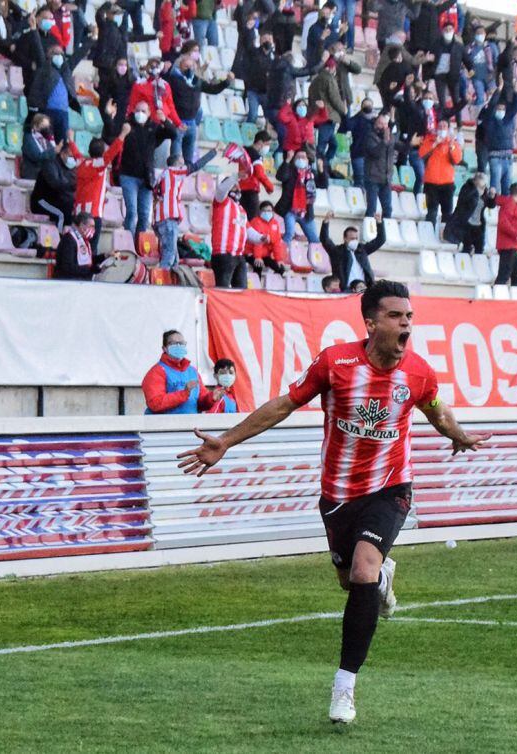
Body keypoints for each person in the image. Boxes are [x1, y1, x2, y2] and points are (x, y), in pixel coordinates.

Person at [177, 280, 488, 726]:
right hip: (338, 494)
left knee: (362, 568)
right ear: (371, 322)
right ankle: (381, 578)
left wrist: (458, 435)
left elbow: (436, 410)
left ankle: (344, 687)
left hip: (391, 487)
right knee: (351, 581)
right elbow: (284, 404)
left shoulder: (419, 372)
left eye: (409, 317)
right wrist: (225, 440)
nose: (406, 325)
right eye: (396, 317)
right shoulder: (335, 362)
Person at [154, 147, 217, 269]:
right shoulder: (174, 172)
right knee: (169, 255)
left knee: (174, 257)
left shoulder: (162, 175)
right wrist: (213, 152)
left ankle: (171, 284)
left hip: (160, 219)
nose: (184, 164)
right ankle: (160, 284)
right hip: (169, 218)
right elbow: (195, 166)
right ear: (177, 164)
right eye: (182, 162)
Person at [120, 102, 177, 235]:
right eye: (138, 110)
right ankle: (128, 243)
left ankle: (139, 245)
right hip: (128, 175)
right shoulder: (127, 125)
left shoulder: (154, 128)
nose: (140, 113)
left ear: (149, 113)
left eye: (143, 111)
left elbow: (173, 134)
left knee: (144, 215)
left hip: (147, 178)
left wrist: (164, 120)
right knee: (132, 211)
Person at [167, 55, 232, 167]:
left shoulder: (197, 81)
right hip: (178, 122)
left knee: (189, 162)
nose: (189, 69)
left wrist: (226, 82)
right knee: (175, 161)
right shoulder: (174, 79)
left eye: (192, 66)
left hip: (192, 122)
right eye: (186, 66)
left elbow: (213, 89)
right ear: (180, 67)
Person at [27, 39, 93, 141]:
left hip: (63, 113)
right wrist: (34, 30)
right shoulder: (45, 67)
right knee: (47, 141)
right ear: (48, 55)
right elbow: (38, 48)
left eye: (61, 53)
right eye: (55, 53)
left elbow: (78, 55)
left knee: (63, 144)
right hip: (47, 111)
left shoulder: (66, 68)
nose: (59, 56)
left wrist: (92, 39)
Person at [143, 330, 219, 413]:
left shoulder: (192, 371)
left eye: (181, 343)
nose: (178, 346)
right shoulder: (156, 372)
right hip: (166, 425)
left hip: (190, 424)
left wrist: (211, 398)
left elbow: (200, 403)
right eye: (173, 343)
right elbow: (155, 403)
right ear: (164, 348)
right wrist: (184, 394)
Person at [211, 175, 260, 289]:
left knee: (241, 291)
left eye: (238, 187)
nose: (237, 189)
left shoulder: (241, 210)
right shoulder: (221, 202)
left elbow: (248, 230)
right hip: (223, 254)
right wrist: (236, 177)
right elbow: (221, 189)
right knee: (223, 289)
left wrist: (260, 238)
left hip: (239, 256)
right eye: (233, 187)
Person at [321, 211, 385, 288]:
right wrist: (326, 221)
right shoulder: (337, 251)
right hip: (346, 290)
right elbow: (325, 239)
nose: (354, 241)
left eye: (356, 238)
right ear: (345, 238)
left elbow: (380, 240)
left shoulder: (362, 249)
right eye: (351, 238)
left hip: (363, 289)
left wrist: (379, 222)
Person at [419, 120, 463, 228]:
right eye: (440, 126)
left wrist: (451, 146)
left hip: (447, 183)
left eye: (445, 126)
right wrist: (435, 144)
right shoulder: (429, 140)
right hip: (431, 182)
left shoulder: (453, 142)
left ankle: (444, 235)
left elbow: (457, 160)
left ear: (448, 129)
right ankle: (428, 234)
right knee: (431, 212)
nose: (442, 129)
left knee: (447, 213)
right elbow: (421, 154)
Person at [276, 150, 321, 246]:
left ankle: (315, 259)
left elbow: (324, 183)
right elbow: (281, 176)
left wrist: (322, 170)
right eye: (298, 157)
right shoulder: (290, 170)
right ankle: (280, 256)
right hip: (290, 209)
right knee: (289, 234)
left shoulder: (311, 173)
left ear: (308, 160)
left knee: (314, 239)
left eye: (303, 157)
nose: (301, 160)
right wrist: (287, 160)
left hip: (306, 211)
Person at [54, 212, 118, 280]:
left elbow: (87, 260)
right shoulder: (69, 240)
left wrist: (105, 256)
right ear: (82, 225)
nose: (94, 230)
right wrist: (90, 269)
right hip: (69, 281)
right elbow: (67, 267)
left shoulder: (83, 240)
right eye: (91, 226)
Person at [31, 140, 78, 231]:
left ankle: (69, 237)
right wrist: (73, 185)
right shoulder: (50, 164)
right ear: (63, 154)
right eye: (71, 156)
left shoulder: (69, 168)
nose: (73, 159)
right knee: (61, 214)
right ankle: (60, 240)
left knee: (72, 210)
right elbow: (55, 184)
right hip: (42, 201)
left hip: (58, 201)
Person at [444, 172, 496, 254]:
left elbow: (491, 205)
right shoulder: (467, 188)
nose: (483, 188)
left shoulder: (484, 191)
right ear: (475, 182)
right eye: (481, 186)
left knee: (480, 249)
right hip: (466, 224)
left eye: (484, 186)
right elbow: (464, 202)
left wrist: (492, 197)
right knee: (466, 249)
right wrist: (476, 193)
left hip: (479, 225)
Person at [480, 90, 517, 196]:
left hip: (508, 158)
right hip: (495, 158)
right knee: (494, 188)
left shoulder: (508, 121)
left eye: (503, 109)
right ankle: (491, 210)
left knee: (507, 190)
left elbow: (516, 106)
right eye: (498, 109)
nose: (500, 111)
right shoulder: (490, 121)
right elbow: (491, 106)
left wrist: (515, 91)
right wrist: (499, 90)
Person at [363, 111, 396, 218]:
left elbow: (401, 147)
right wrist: (384, 142)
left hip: (386, 179)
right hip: (373, 178)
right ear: (375, 124)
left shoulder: (390, 137)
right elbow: (375, 153)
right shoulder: (369, 136)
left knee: (388, 209)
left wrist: (410, 143)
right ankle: (369, 231)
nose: (383, 126)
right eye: (380, 123)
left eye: (385, 124)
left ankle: (384, 231)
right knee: (372, 208)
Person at [246, 200, 289, 276]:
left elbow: (277, 243)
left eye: (269, 211)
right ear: (260, 212)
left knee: (280, 268)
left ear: (273, 212)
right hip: (251, 253)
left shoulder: (275, 223)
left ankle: (273, 286)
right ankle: (256, 286)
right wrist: (258, 257)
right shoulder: (256, 222)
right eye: (264, 210)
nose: (266, 213)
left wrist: (279, 259)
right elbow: (257, 242)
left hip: (265, 255)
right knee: (258, 265)